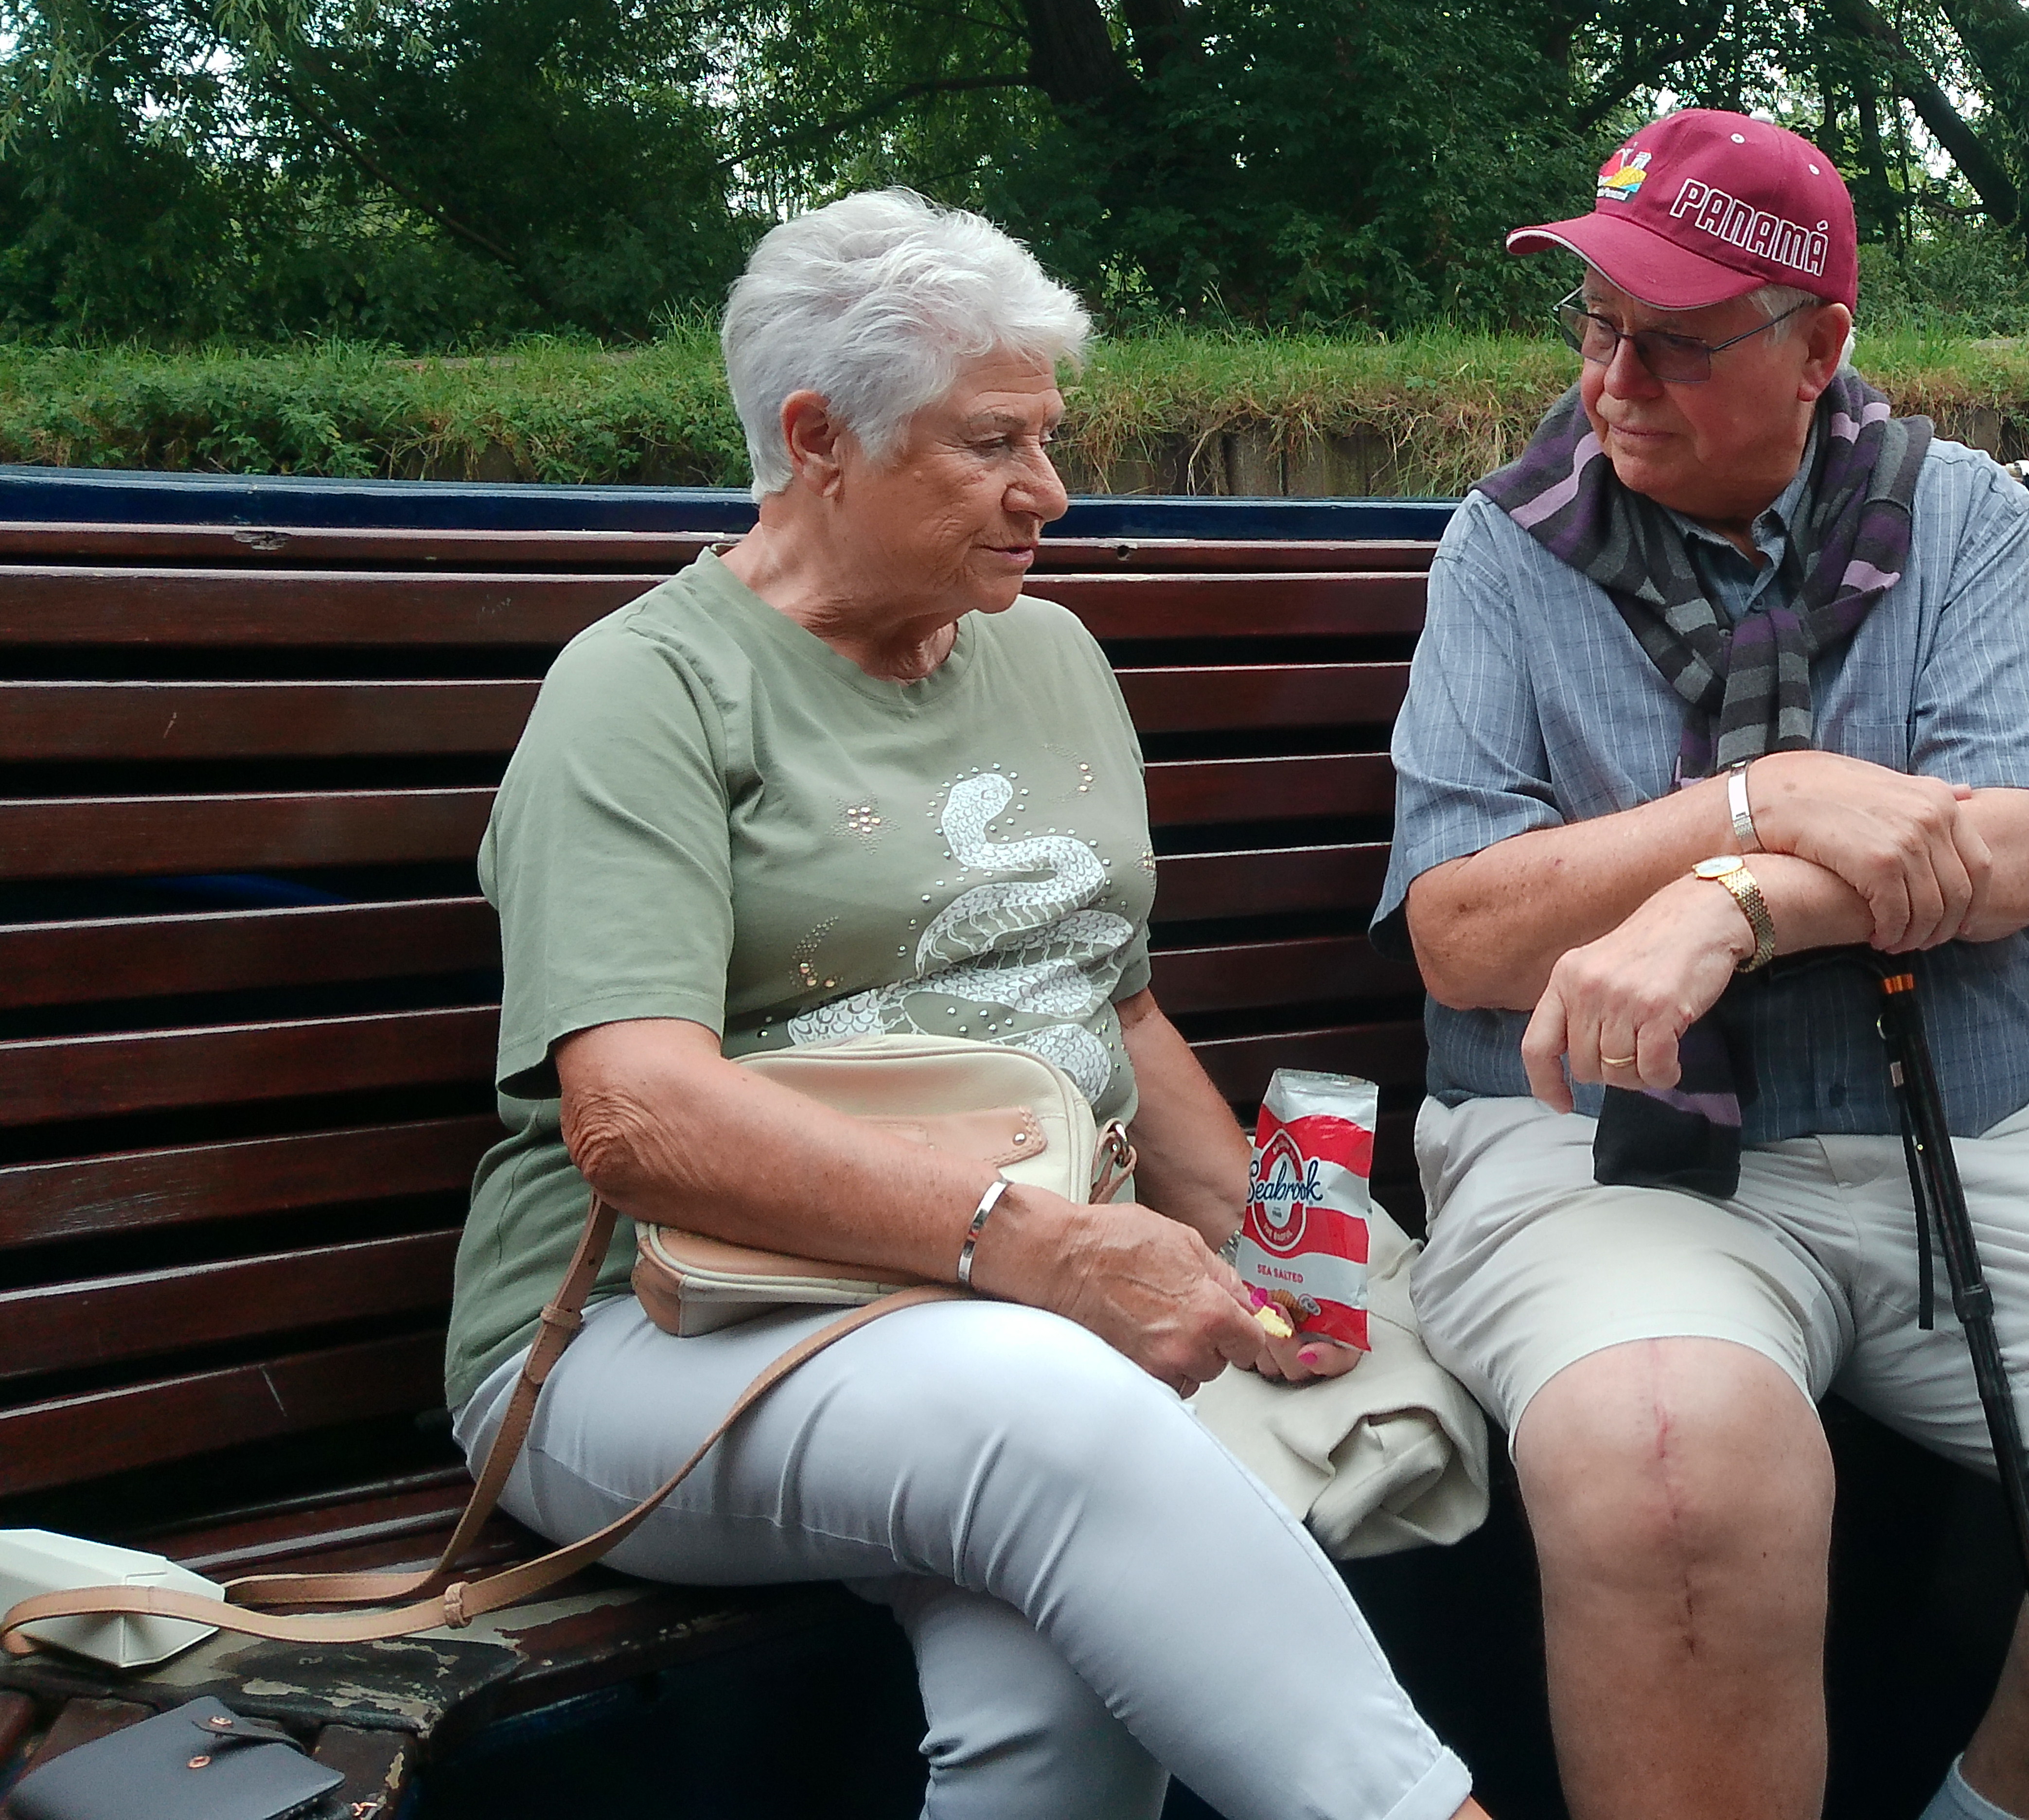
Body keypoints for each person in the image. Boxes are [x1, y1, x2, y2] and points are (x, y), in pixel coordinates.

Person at [1376, 107, 2029, 1820]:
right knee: (1674, 1473)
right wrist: (1777, 798)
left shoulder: (1961, 514)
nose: (1616, 375)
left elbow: (2021, 853)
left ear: (1820, 344)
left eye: (1678, 339)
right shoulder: (1502, 546)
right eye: (1596, 322)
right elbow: (1467, 930)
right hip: (1605, 1152)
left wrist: (1732, 903)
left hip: (1965, 1128)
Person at [441, 189, 1487, 1820]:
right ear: (817, 439)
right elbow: (633, 1118)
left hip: (992, 1335)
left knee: (1066, 1677)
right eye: (993, 444)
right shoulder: (644, 691)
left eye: (1050, 439)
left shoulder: (1049, 652)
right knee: (1066, 1417)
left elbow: (1108, 1009)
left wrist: (1291, 1272)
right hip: (643, 1340)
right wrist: (1060, 1254)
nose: (1050, 496)